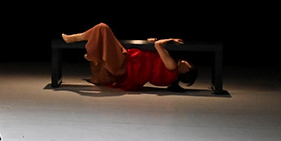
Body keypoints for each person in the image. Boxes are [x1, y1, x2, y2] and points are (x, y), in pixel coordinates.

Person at [61, 23, 199, 91]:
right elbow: (152, 59)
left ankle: (75, 39)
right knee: (103, 36)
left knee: (103, 28)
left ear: (186, 71)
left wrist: (170, 39)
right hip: (125, 64)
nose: (186, 62)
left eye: (189, 65)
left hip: (124, 63)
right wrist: (151, 42)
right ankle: (94, 55)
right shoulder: (169, 76)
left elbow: (158, 46)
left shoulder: (172, 67)